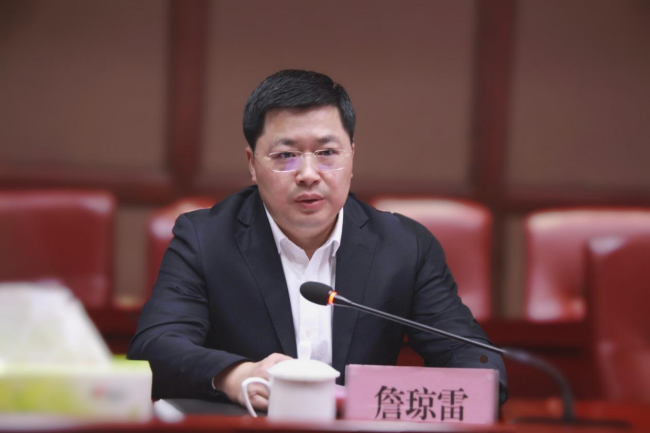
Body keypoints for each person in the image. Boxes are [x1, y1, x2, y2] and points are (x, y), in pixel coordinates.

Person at [128, 69, 507, 411]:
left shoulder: (404, 247)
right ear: (252, 164)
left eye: (327, 153)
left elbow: (476, 361)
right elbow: (155, 349)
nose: (308, 174)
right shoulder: (205, 239)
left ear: (351, 157)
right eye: (285, 155)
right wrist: (236, 376)